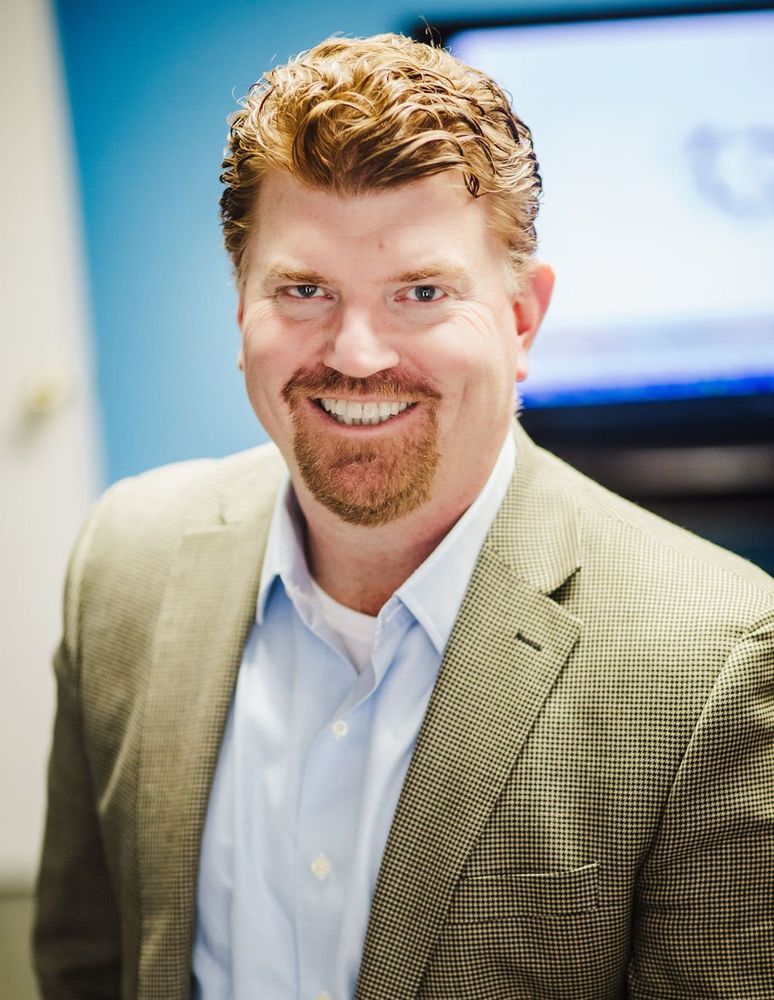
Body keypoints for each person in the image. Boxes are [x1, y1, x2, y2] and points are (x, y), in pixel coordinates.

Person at [34, 33, 773, 1000]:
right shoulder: (122, 565)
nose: (354, 353)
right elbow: (84, 963)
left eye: (422, 293)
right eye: (303, 290)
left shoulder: (717, 656)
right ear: (241, 306)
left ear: (521, 321)